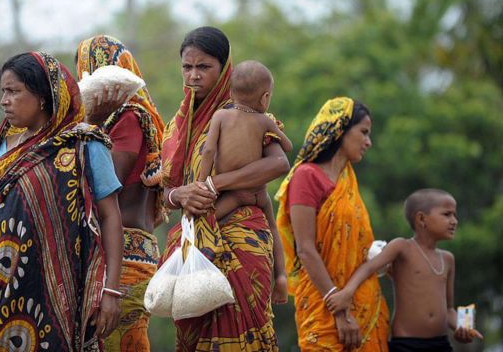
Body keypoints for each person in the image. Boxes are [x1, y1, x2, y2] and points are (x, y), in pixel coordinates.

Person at [0, 52, 123, 351]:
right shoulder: (4, 148)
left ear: (44, 96)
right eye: (3, 91)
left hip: (58, 290)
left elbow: (110, 217)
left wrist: (110, 291)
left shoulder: (84, 145)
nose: (5, 100)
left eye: (14, 91)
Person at [161, 26, 291, 351]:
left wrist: (214, 183)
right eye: (187, 67)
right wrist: (181, 194)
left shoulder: (249, 115)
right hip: (196, 242)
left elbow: (277, 163)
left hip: (244, 238)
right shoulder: (176, 127)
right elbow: (163, 192)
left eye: (203, 67)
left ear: (224, 69)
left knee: (247, 331)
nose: (193, 76)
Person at [275, 97, 390, 350]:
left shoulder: (348, 181)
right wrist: (339, 310)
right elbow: (306, 249)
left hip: (363, 301)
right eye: (363, 132)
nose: (368, 142)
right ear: (339, 130)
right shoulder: (307, 176)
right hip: (324, 304)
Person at [75, 35, 165, 352]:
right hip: (126, 251)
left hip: (124, 253)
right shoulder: (128, 119)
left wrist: (89, 125)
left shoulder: (127, 118)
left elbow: (105, 182)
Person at [325, 188, 483, 351]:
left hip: (440, 343)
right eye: (447, 214)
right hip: (406, 343)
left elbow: (449, 309)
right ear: (421, 218)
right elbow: (368, 268)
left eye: (455, 215)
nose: (454, 221)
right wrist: (347, 293)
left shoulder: (448, 259)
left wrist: (462, 327)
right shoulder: (402, 247)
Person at [196, 59, 292, 305]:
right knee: (272, 228)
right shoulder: (264, 121)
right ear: (265, 98)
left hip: (233, 195)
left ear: (229, 92)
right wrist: (273, 130)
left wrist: (201, 184)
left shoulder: (220, 116)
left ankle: (206, 266)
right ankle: (281, 276)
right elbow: (287, 147)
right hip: (259, 193)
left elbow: (207, 151)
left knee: (203, 222)